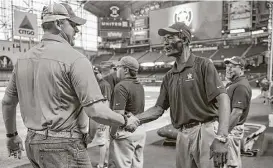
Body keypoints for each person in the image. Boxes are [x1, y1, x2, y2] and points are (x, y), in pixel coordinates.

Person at [1, 2, 139, 168]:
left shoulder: (23, 59)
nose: (77, 30)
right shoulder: (76, 59)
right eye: (73, 25)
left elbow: (8, 102)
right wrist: (124, 120)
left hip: (32, 142)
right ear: (59, 24)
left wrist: (11, 135)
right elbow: (95, 111)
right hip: (63, 146)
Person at [132, 22, 231, 168]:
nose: (164, 42)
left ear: (184, 40)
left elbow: (223, 98)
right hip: (182, 134)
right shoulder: (169, 76)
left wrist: (222, 137)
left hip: (205, 130)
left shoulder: (203, 65)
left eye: (170, 37)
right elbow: (158, 109)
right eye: (164, 38)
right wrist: (135, 119)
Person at [108, 56, 146, 168]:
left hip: (124, 133)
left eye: (118, 67)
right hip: (139, 130)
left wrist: (112, 133)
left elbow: (118, 115)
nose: (116, 70)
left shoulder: (121, 86)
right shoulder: (140, 85)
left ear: (125, 70)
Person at [224, 56, 252, 168]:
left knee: (231, 164)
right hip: (231, 128)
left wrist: (223, 133)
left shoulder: (240, 86)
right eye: (227, 66)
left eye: (232, 67)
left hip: (231, 129)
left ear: (241, 69)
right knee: (231, 161)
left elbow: (236, 113)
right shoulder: (234, 83)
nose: (228, 69)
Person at [93, 66, 112, 168]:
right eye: (94, 73)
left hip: (103, 117)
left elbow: (106, 103)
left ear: (101, 73)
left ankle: (101, 164)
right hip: (104, 116)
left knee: (101, 141)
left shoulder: (103, 84)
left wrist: (102, 120)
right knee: (105, 140)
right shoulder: (102, 84)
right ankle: (105, 162)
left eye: (96, 73)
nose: (95, 75)